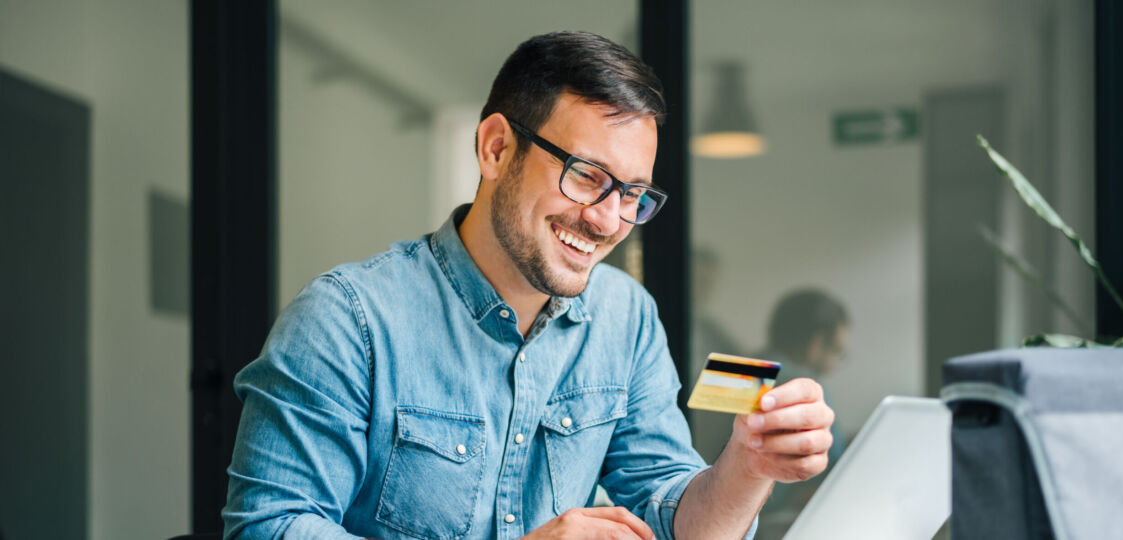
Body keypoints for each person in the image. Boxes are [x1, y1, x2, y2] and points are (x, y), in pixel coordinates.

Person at [223, 31, 834, 540]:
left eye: (631, 194)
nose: (605, 219)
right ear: (496, 148)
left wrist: (749, 465)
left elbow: (670, 511)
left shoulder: (627, 317)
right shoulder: (346, 319)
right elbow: (269, 528)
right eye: (585, 175)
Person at [753, 288, 850, 528]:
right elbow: (834, 469)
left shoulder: (747, 371)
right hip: (782, 521)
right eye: (838, 351)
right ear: (816, 343)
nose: (837, 362)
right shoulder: (807, 387)